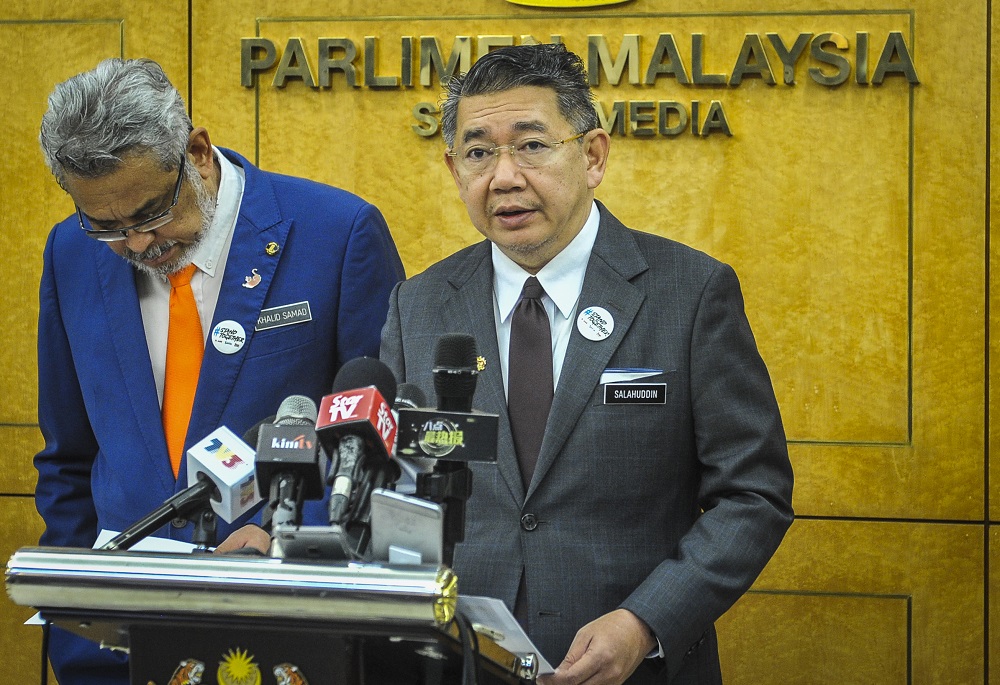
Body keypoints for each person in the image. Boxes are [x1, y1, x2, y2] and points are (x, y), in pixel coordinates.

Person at [380, 43, 794, 685]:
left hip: (634, 669)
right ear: (453, 168)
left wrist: (646, 622)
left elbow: (754, 494)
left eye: (532, 145)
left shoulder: (688, 293)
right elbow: (396, 489)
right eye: (479, 152)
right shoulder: (420, 304)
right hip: (460, 664)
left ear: (593, 156)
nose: (505, 176)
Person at [34, 58, 404, 684]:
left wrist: (285, 539)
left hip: (288, 635)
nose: (137, 244)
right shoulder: (70, 252)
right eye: (106, 225)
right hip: (118, 647)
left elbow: (381, 447)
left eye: (152, 212)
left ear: (198, 153)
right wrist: (73, 617)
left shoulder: (337, 233)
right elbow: (69, 456)